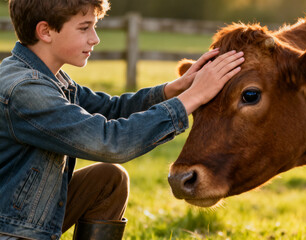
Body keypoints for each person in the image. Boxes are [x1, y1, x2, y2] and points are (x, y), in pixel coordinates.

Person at [0, 0, 245, 239]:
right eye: (84, 28)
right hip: (10, 230)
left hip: (26, 217)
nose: (94, 38)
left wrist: (174, 90)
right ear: (45, 31)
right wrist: (193, 98)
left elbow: (111, 109)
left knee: (109, 180)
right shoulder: (24, 90)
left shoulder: (50, 79)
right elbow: (109, 143)